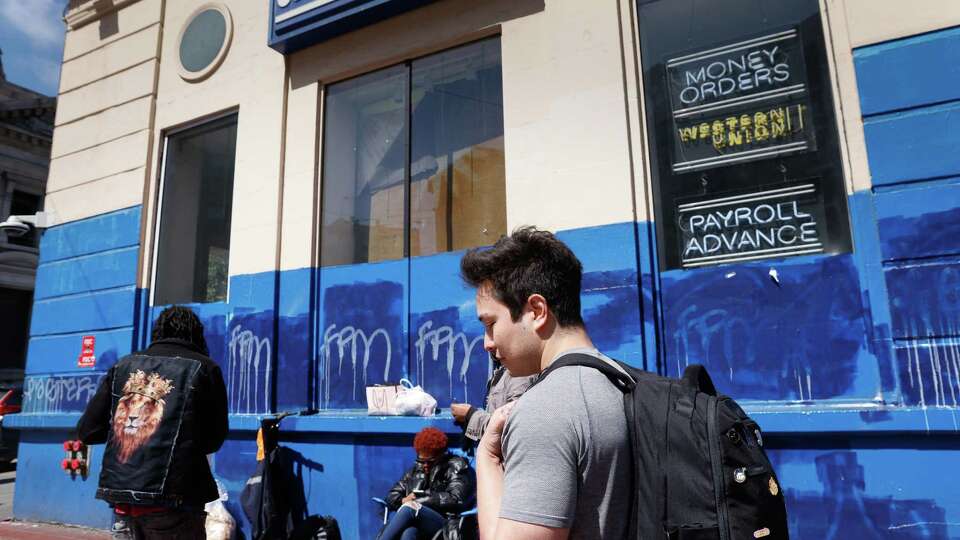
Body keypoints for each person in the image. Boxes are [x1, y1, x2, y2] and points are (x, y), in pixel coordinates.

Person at [460, 226, 632, 540]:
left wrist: (487, 456)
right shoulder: (622, 381)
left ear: (537, 311)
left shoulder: (544, 412)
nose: (487, 343)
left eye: (491, 323)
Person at [77, 306, 229, 539]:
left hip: (122, 501)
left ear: (157, 332)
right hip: (177, 500)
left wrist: (128, 433)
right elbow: (213, 440)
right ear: (196, 334)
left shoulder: (123, 366)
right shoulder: (205, 368)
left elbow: (88, 431)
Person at [379, 427, 475, 540]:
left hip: (445, 524)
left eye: (430, 462)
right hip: (420, 524)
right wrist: (403, 500)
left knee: (410, 508)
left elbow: (456, 498)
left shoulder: (456, 466)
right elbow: (392, 495)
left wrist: (421, 499)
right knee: (409, 532)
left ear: (441, 455)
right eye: (421, 461)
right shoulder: (416, 470)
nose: (425, 465)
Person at [450, 353, 535, 447]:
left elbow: (511, 429)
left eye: (493, 337)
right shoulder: (503, 370)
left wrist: (470, 415)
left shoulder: (520, 375)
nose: (487, 345)